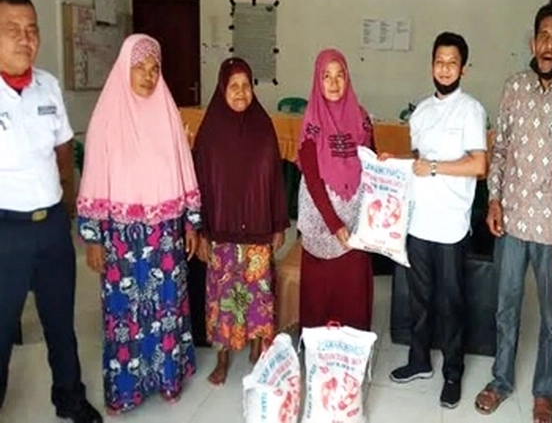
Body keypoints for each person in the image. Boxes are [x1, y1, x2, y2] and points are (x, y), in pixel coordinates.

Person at [474, 3, 552, 423]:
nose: (549, 44)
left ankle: (543, 392)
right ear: (532, 42)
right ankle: (501, 380)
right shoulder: (514, 87)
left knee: (550, 317)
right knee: (505, 307)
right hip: (510, 221)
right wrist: (494, 200)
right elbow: (501, 149)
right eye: (544, 35)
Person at [76, 34, 201, 414]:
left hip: (165, 234)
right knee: (124, 315)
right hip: (121, 236)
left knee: (167, 308)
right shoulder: (106, 119)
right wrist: (92, 238)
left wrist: (191, 224)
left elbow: (184, 171)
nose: (148, 75)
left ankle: (167, 378)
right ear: (123, 70)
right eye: (139, 67)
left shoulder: (167, 115)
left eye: (154, 68)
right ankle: (126, 389)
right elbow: (93, 178)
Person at [0, 0, 103, 423]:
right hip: (6, 230)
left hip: (52, 226)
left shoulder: (48, 85)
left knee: (61, 323)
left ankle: (70, 399)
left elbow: (64, 146)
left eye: (32, 29)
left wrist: (68, 201)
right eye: (13, 30)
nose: (26, 39)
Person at [385, 32, 488, 409]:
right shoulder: (421, 111)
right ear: (431, 65)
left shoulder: (471, 110)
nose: (445, 68)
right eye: (439, 62)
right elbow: (417, 159)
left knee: (451, 302)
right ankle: (419, 361)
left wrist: (432, 167)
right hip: (419, 222)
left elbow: (478, 165)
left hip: (450, 225)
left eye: (452, 62)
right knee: (419, 299)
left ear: (463, 68)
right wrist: (393, 162)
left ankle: (453, 373)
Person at [192, 57, 289, 384]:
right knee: (221, 299)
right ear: (222, 89)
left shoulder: (263, 126)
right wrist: (200, 231)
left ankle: (257, 349)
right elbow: (199, 184)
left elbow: (275, 179)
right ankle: (222, 359)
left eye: (246, 85)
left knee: (259, 297)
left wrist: (278, 224)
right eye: (233, 86)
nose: (241, 92)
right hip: (221, 232)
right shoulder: (209, 132)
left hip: (258, 230)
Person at [297, 48, 375, 331]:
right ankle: (319, 351)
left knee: (352, 291)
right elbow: (313, 180)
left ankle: (352, 352)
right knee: (320, 294)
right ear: (317, 81)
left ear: (348, 78)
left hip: (355, 221)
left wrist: (383, 163)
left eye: (339, 75)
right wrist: (334, 224)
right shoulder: (312, 123)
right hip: (321, 222)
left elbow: (371, 163)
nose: (333, 83)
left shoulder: (361, 118)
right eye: (326, 76)